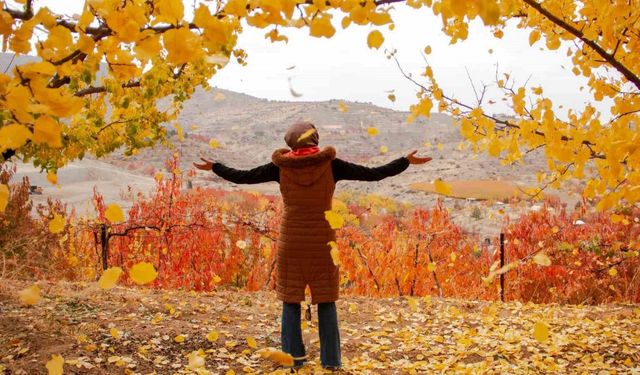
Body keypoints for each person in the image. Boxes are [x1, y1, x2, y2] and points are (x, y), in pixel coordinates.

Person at [193, 121, 431, 370]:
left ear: (291, 143)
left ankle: (293, 358)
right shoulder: (331, 165)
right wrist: (405, 161)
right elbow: (373, 173)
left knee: (290, 299)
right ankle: (331, 361)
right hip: (322, 242)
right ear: (315, 139)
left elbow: (242, 177)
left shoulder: (279, 167)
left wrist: (215, 167)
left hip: (291, 243)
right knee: (326, 300)